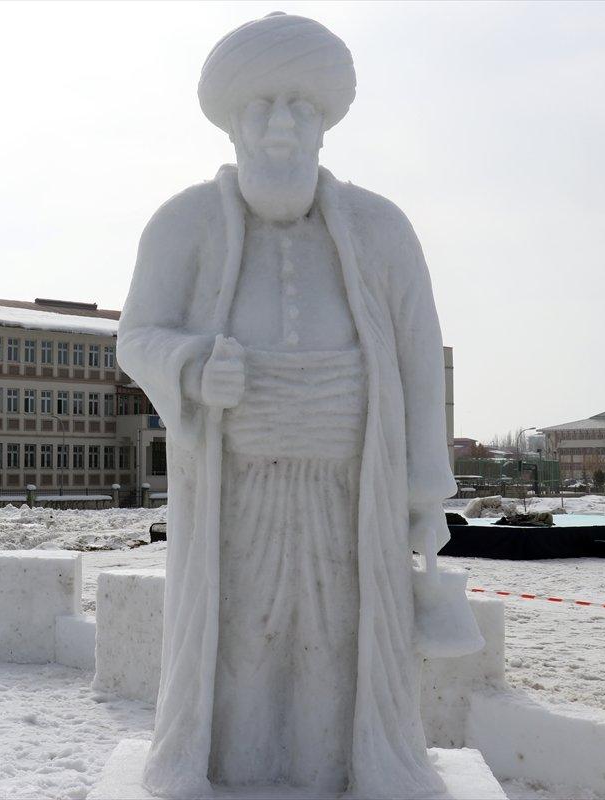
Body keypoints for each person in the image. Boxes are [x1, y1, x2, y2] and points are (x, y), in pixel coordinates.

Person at [117, 14, 473, 798]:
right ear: (233, 119)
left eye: (301, 107)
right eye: (262, 106)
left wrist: (424, 494)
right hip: (235, 487)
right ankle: (231, 769)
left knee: (340, 638)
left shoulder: (382, 230)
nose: (281, 126)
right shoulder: (184, 223)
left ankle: (332, 772)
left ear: (325, 123)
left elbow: (420, 364)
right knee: (242, 635)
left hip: (353, 489)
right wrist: (191, 367)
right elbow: (136, 337)